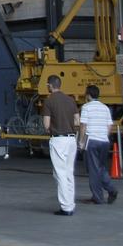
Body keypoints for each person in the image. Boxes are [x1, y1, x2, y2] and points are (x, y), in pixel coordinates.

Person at [42, 75, 79, 216]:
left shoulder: (49, 101)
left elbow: (46, 125)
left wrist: (51, 128)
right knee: (69, 172)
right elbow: (77, 121)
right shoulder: (71, 100)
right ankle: (71, 203)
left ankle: (66, 207)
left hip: (58, 140)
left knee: (60, 173)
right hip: (71, 139)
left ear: (50, 86)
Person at [79, 85, 118, 206]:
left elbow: (83, 126)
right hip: (104, 142)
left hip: (91, 141)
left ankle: (98, 197)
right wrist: (104, 136)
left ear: (88, 95)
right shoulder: (105, 108)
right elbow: (109, 126)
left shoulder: (86, 107)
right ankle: (111, 190)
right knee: (100, 168)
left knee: (93, 170)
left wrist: (81, 141)